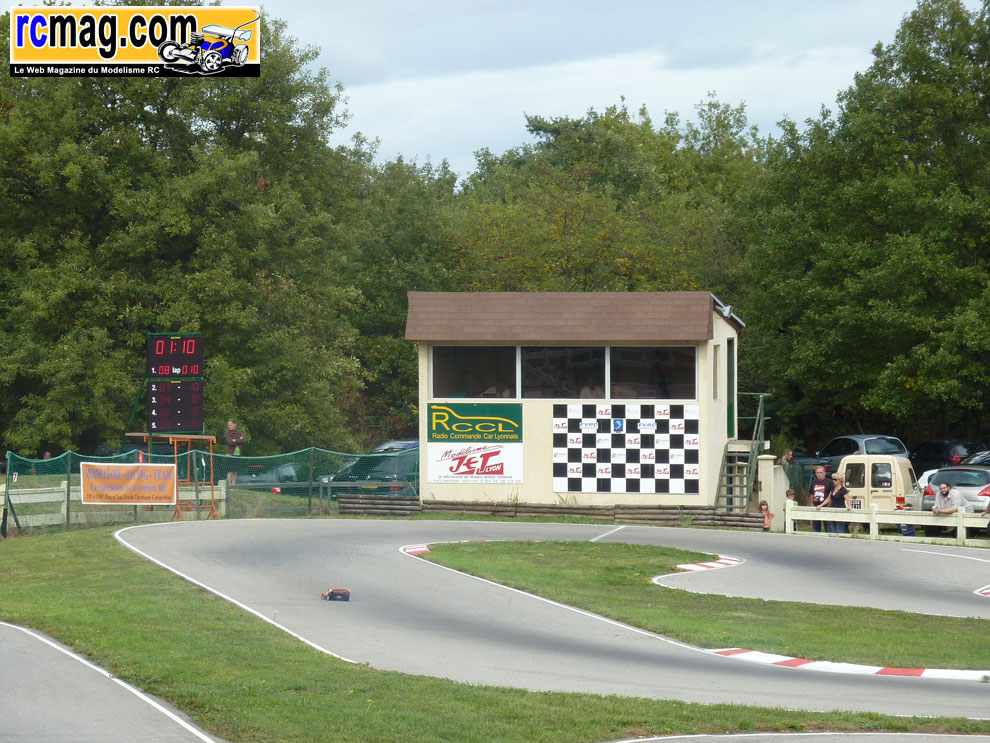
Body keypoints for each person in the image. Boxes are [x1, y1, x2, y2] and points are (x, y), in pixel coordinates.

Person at [809, 466, 833, 533]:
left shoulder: (829, 482)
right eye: (817, 473)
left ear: (824, 473)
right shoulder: (813, 482)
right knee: (816, 529)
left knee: (828, 529)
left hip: (826, 508)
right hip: (816, 508)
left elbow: (831, 496)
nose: (819, 474)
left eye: (820, 472)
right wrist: (812, 504)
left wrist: (828, 506)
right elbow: (811, 494)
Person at [225, 419, 246, 487]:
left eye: (231, 425)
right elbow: (230, 442)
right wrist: (238, 441)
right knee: (230, 471)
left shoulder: (239, 432)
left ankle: (233, 485)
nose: (229, 426)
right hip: (230, 454)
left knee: (235, 471)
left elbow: (243, 440)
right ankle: (229, 486)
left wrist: (235, 440)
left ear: (235, 425)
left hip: (237, 454)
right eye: (229, 425)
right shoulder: (227, 433)